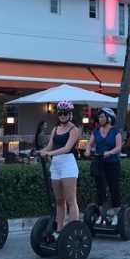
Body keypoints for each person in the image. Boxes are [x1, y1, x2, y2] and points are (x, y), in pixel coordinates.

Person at [39, 101, 80, 240]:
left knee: (70, 200)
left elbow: (67, 148)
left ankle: (74, 229)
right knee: (59, 200)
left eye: (65, 113)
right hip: (55, 164)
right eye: (60, 113)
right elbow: (49, 146)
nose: (62, 115)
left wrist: (49, 154)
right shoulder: (55, 129)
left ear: (70, 114)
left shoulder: (74, 129)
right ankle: (60, 229)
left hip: (68, 163)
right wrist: (39, 152)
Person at [85, 108, 122, 226]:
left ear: (109, 118)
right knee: (100, 190)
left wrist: (110, 152)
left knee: (113, 188)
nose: (99, 119)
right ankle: (102, 215)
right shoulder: (96, 131)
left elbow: (118, 147)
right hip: (99, 163)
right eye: (99, 117)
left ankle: (117, 215)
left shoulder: (115, 132)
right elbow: (90, 143)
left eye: (102, 117)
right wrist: (87, 150)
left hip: (112, 164)